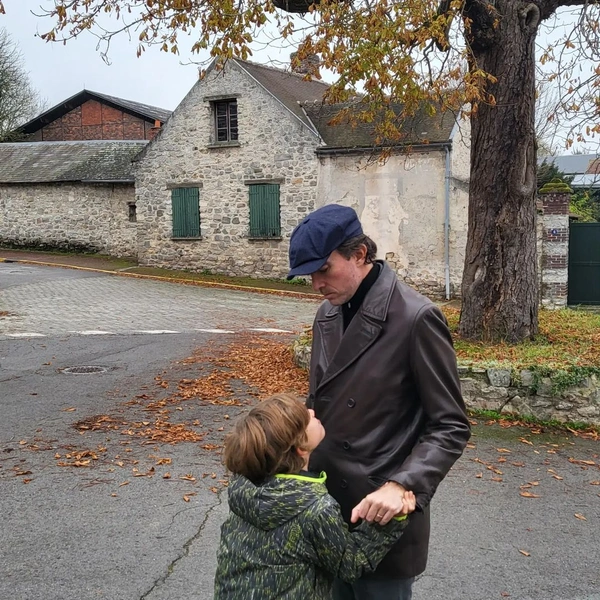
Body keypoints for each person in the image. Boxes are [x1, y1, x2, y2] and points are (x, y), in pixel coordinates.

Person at [287, 204, 471, 600]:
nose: (317, 284)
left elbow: (451, 424)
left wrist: (402, 484)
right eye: (309, 275)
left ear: (359, 254)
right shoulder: (327, 314)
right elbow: (319, 402)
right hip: (326, 507)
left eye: (324, 270)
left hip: (381, 512)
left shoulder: (416, 317)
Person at [213, 393, 416, 600]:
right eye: (306, 418)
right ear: (301, 447)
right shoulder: (315, 509)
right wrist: (392, 520)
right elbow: (350, 563)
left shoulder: (242, 488)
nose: (312, 410)